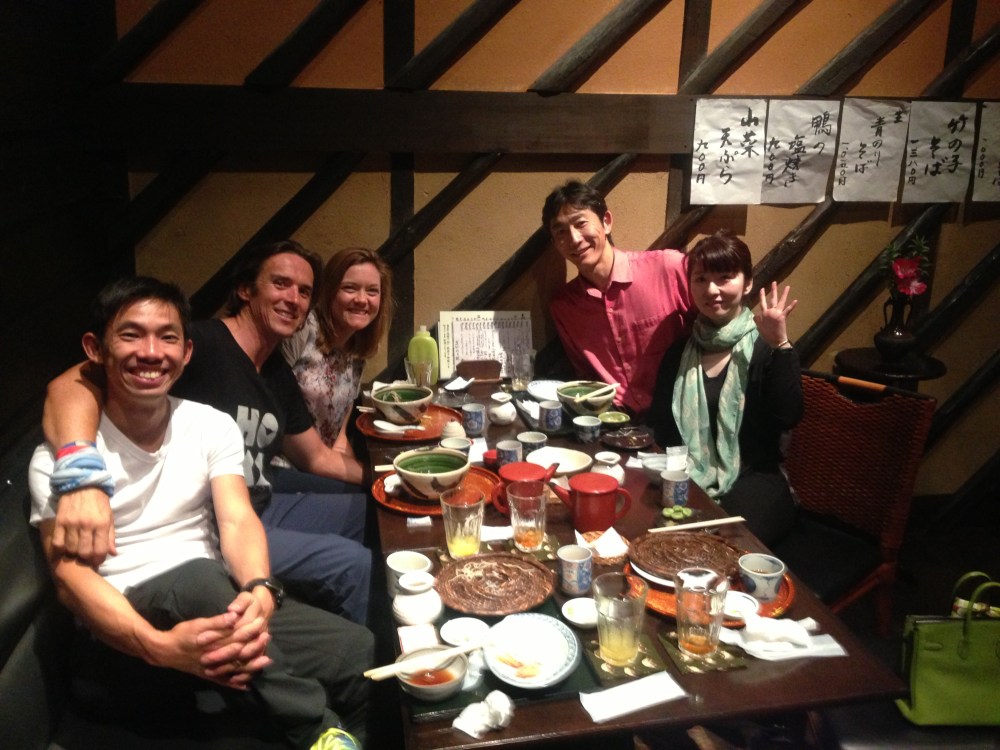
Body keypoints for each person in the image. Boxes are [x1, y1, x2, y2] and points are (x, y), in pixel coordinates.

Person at [28, 277, 371, 748]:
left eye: (167, 337)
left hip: (218, 601)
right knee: (197, 579)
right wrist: (158, 647)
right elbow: (70, 581)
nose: (151, 351)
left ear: (186, 352)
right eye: (130, 335)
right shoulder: (62, 459)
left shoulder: (209, 424)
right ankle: (314, 728)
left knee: (364, 655)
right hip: (127, 627)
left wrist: (260, 589)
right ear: (95, 348)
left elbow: (237, 518)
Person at [42, 241, 371, 625]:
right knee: (352, 563)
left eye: (304, 291)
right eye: (280, 283)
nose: (293, 299)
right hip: (215, 521)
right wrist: (81, 475)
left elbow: (316, 457)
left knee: (373, 512)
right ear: (246, 290)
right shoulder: (199, 344)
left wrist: (393, 479)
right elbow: (69, 386)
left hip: (262, 496)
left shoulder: (275, 368)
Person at [649, 230, 803, 545]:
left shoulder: (764, 348)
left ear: (747, 283)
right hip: (688, 476)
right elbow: (663, 429)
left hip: (755, 479)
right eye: (701, 279)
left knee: (716, 547)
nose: (712, 290)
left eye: (724, 278)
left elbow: (788, 415)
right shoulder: (680, 353)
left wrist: (782, 345)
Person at [544, 180, 695, 418]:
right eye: (560, 231)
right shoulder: (564, 306)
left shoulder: (668, 267)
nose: (573, 239)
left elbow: (714, 329)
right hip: (615, 425)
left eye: (581, 223)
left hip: (682, 415)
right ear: (555, 244)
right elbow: (585, 377)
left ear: (606, 222)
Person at [274, 247, 393, 489]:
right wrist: (381, 478)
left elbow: (338, 433)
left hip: (321, 465)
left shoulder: (356, 349)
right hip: (282, 469)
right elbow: (308, 455)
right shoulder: (303, 331)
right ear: (329, 292)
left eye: (372, 291)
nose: (362, 299)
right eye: (350, 288)